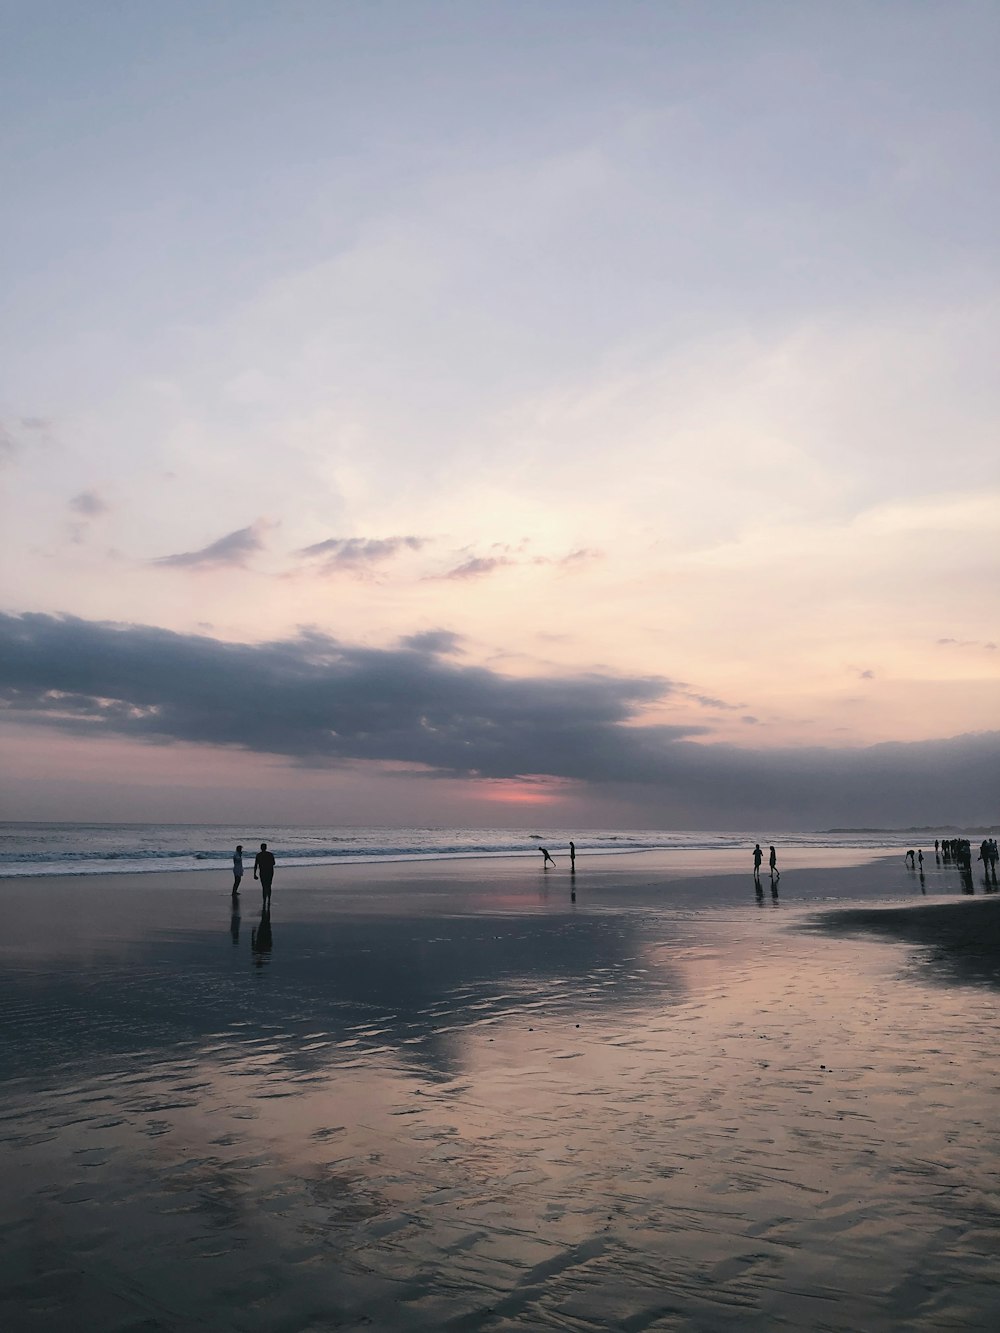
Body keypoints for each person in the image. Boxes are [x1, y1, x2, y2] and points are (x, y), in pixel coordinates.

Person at [254, 841, 275, 907]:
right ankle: (269, 899)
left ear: (261, 848)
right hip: (269, 871)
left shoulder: (258, 855)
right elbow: (273, 863)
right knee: (269, 885)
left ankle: (264, 900)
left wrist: (254, 874)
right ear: (266, 848)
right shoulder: (270, 854)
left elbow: (256, 865)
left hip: (262, 871)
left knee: (264, 886)